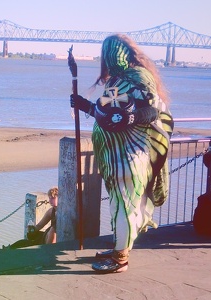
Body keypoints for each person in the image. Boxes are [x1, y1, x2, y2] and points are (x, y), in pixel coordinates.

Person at [70, 34, 174, 273]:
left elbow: (152, 110)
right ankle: (120, 247)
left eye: (113, 51)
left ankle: (120, 259)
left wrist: (132, 117)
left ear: (125, 52)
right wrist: (84, 105)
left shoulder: (139, 77)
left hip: (131, 153)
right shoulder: (116, 81)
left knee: (126, 204)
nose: (110, 57)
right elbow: (105, 112)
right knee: (119, 204)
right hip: (112, 156)